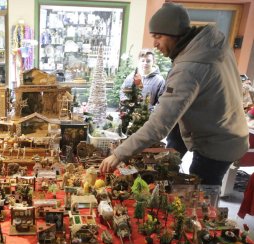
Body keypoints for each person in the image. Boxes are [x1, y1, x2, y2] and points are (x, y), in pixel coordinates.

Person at [100, 3, 249, 186]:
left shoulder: (189, 68)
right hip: (230, 132)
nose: (155, 44)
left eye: (158, 36)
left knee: (200, 193)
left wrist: (118, 154)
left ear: (175, 34)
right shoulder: (211, 47)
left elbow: (159, 125)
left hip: (217, 144)